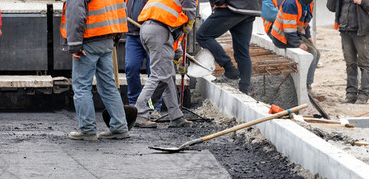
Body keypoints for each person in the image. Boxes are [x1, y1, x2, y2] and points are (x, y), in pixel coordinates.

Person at [61, 0, 130, 140]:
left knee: (81, 86)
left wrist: (74, 46)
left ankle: (87, 129)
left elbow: (76, 15)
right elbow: (121, 10)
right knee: (108, 85)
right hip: (107, 38)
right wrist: (115, 38)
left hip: (89, 40)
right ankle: (120, 127)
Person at [133, 0, 196, 128]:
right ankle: (141, 113)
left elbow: (170, 40)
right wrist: (190, 20)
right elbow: (189, 8)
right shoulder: (183, 9)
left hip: (150, 29)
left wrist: (179, 57)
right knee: (159, 75)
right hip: (159, 31)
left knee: (168, 76)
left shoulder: (168, 8)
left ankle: (176, 116)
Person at [196, 0, 261, 95]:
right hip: (251, 8)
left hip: (232, 6)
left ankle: (229, 68)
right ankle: (244, 90)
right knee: (242, 51)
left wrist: (219, 2)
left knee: (202, 36)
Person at [326, 0, 369, 104]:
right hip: (345, 30)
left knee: (364, 64)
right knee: (350, 64)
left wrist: (362, 1)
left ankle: (363, 95)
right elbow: (331, 7)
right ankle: (351, 94)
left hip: (361, 31)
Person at [264, 0, 320, 97]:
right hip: (281, 37)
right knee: (312, 53)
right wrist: (297, 44)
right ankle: (306, 87)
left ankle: (308, 83)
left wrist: (308, 36)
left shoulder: (308, 3)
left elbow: (304, 21)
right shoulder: (291, 3)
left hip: (294, 34)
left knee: (317, 53)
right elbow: (288, 30)